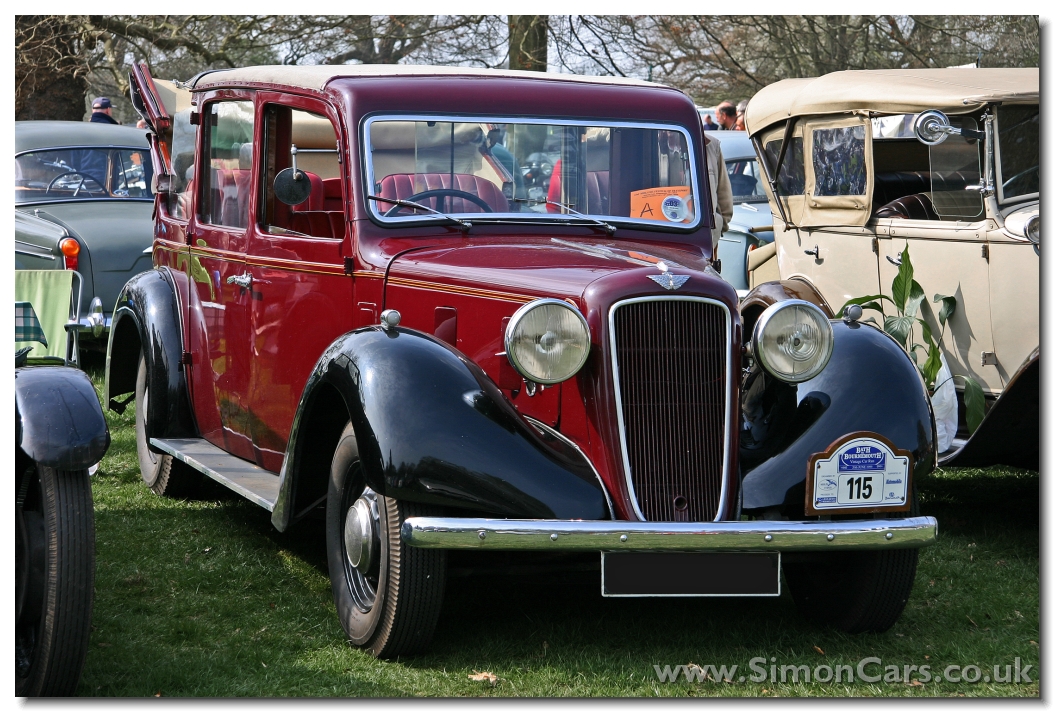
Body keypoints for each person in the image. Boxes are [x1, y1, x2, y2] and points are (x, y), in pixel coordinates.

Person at [705, 135, 733, 237]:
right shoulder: (654, 140)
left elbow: (723, 189)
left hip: (707, 234)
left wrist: (720, 226)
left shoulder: (711, 144)